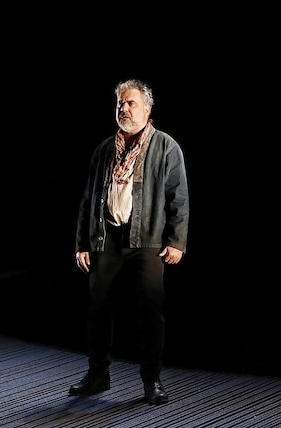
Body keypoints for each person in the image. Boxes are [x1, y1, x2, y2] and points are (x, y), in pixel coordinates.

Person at [70, 79, 189, 405]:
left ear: (147, 109)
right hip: (106, 238)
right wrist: (82, 242)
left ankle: (152, 380)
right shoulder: (105, 149)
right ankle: (97, 376)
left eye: (130, 103)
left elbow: (178, 197)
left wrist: (177, 240)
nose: (123, 108)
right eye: (120, 103)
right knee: (97, 309)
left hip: (147, 240)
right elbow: (89, 199)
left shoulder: (165, 147)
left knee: (149, 311)